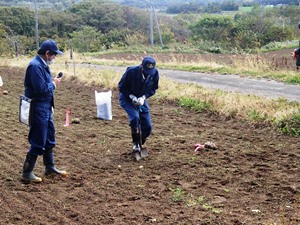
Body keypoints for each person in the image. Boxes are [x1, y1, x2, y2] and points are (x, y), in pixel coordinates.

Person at [21, 39, 67, 183]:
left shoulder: (42, 64)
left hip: (46, 107)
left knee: (49, 137)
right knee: (38, 139)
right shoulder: (35, 66)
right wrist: (54, 84)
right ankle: (27, 172)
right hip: (37, 107)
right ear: (47, 53)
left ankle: (50, 167)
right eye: (54, 55)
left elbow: (43, 85)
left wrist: (51, 82)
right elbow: (40, 90)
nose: (54, 57)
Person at [118, 56, 159, 154]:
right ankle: (136, 143)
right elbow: (121, 86)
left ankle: (141, 141)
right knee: (135, 118)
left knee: (148, 127)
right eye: (145, 71)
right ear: (141, 66)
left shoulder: (154, 73)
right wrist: (131, 96)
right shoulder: (131, 72)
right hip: (127, 99)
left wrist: (143, 97)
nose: (147, 73)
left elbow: (153, 89)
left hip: (141, 100)